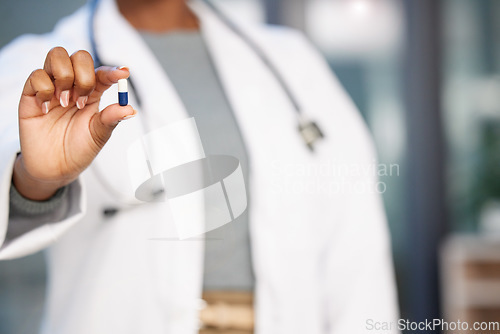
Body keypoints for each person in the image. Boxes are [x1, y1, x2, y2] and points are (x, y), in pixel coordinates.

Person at [0, 0, 399, 333]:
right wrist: (34, 179)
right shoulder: (36, 69)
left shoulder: (291, 62)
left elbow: (355, 246)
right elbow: (13, 199)